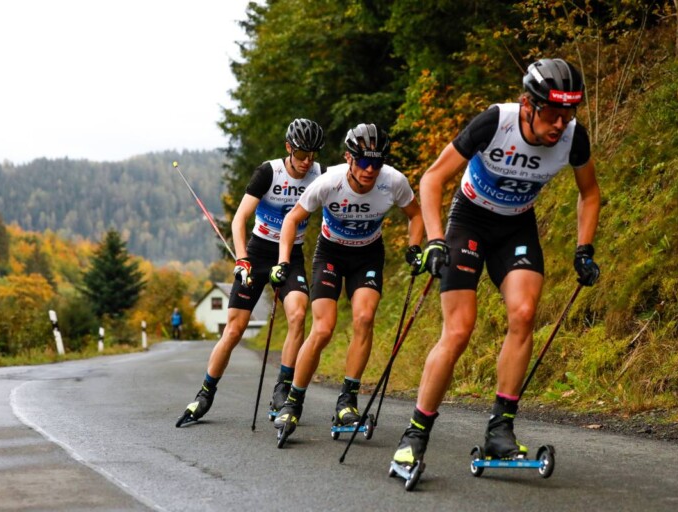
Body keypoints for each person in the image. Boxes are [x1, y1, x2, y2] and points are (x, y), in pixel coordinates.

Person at [391, 58, 601, 469]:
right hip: (469, 220)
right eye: (552, 113)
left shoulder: (574, 139)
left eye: (568, 113)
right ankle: (415, 434)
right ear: (528, 104)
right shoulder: (495, 122)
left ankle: (500, 431)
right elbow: (432, 180)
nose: (560, 124)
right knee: (459, 329)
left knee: (523, 314)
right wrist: (434, 241)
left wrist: (584, 248)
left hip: (516, 227)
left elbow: (589, 193)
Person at [271, 123, 424, 436]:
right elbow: (292, 219)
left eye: (377, 162)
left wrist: (414, 246)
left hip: (367, 255)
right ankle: (293, 401)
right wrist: (284, 261)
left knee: (364, 319)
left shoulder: (393, 181)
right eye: (364, 161)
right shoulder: (330, 182)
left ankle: (347, 401)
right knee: (323, 328)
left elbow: (416, 214)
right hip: (330, 254)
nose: (370, 169)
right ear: (349, 158)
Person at [177, 118, 326, 424]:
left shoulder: (319, 174)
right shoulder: (269, 171)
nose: (306, 162)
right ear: (289, 148)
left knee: (298, 315)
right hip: (258, 252)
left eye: (311, 155)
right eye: (300, 154)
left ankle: (282, 390)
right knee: (234, 329)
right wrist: (242, 259)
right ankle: (205, 394)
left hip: (291, 253)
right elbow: (239, 219)